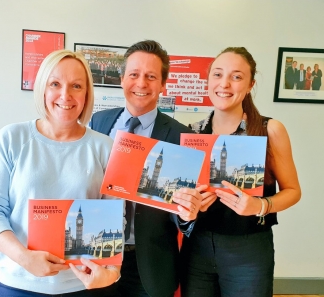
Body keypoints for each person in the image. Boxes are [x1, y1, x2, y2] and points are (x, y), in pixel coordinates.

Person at [0, 49, 121, 297]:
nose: (66, 95)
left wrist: (111, 272)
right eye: (55, 83)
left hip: (84, 286)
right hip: (19, 285)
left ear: (87, 94)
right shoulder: (12, 138)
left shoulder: (104, 147)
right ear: (43, 88)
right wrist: (24, 258)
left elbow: (116, 217)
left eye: (76, 85)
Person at [90, 40, 213, 297]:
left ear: (162, 84)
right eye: (134, 74)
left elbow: (180, 210)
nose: (141, 83)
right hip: (96, 255)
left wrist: (186, 212)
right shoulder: (97, 122)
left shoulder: (181, 135)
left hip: (150, 263)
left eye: (151, 76)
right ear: (122, 78)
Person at [181, 47, 301, 297]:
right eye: (217, 74)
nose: (224, 84)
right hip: (197, 249)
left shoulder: (269, 129)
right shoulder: (192, 133)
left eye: (236, 77)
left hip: (249, 250)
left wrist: (258, 206)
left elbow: (293, 192)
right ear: (208, 80)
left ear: (250, 85)